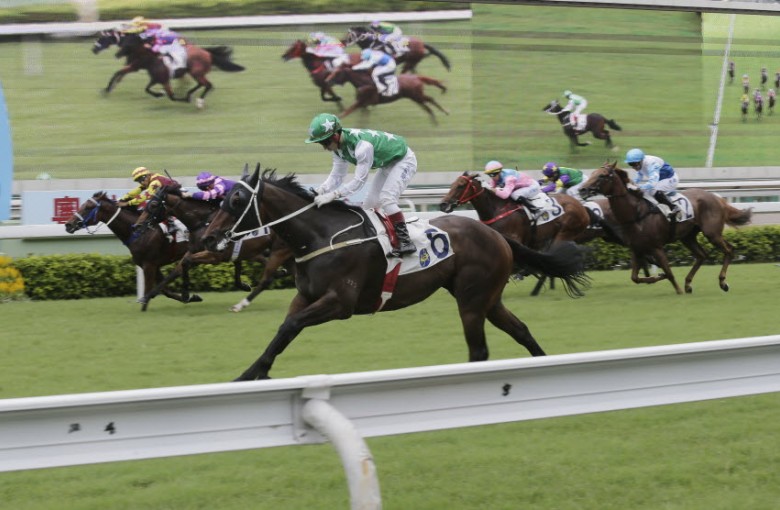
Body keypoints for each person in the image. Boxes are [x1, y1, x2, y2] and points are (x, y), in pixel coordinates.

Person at [305, 113, 418, 257]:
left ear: (334, 136)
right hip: (387, 163)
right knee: (369, 206)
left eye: (324, 143)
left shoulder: (362, 146)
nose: (324, 147)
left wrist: (334, 195)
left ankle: (405, 242)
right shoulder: (338, 148)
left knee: (387, 199)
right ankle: (385, 241)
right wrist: (320, 190)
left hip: (404, 160)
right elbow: (337, 176)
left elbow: (359, 182)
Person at [118, 166, 181, 236]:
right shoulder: (149, 179)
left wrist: (127, 203)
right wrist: (122, 199)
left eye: (142, 179)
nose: (141, 182)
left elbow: (146, 195)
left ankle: (171, 222)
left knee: (153, 205)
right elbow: (136, 191)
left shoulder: (154, 182)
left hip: (175, 195)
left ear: (148, 175)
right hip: (167, 194)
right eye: (138, 181)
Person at [624, 148, 680, 220]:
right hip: (660, 180)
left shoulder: (651, 163)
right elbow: (639, 177)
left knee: (653, 191)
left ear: (641, 161)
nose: (633, 167)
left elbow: (652, 183)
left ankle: (674, 207)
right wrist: (632, 184)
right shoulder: (640, 163)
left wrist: (638, 187)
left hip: (670, 179)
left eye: (634, 164)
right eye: (630, 164)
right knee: (645, 192)